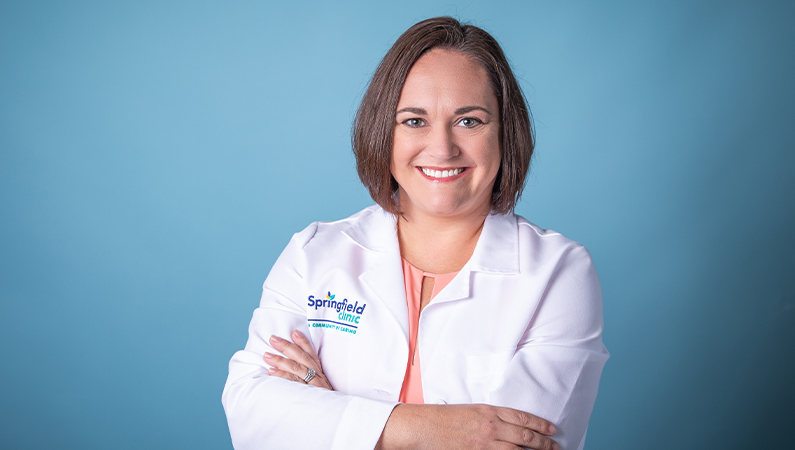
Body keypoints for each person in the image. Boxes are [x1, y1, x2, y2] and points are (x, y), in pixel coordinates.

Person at [222, 16, 608, 450]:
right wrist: (432, 429)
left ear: (505, 132)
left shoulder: (559, 273)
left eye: (469, 121)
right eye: (413, 121)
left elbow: (522, 445)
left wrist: (330, 415)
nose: (442, 148)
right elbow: (252, 414)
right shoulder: (314, 254)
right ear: (382, 131)